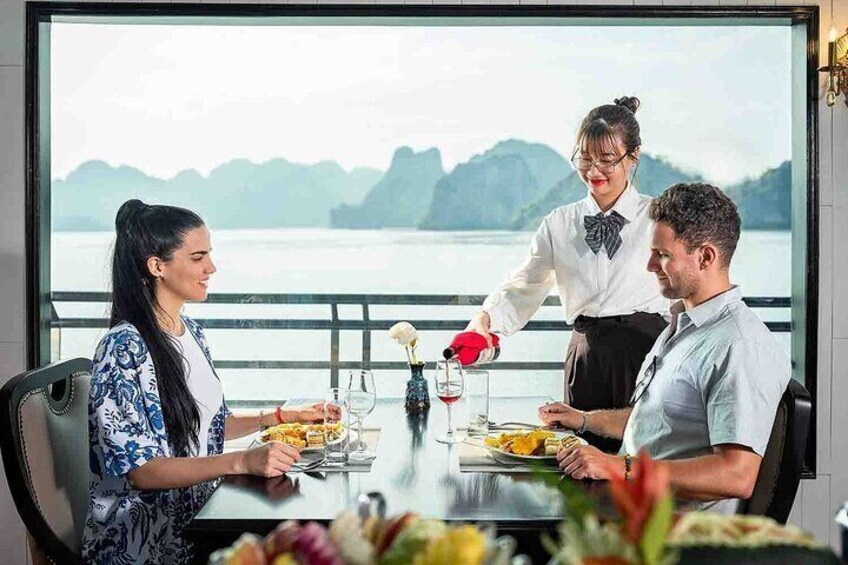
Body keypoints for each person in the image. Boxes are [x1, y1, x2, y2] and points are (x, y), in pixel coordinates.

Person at [81, 200, 334, 563]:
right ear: (157, 266)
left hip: (198, 516)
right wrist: (242, 461)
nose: (211, 267)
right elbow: (144, 471)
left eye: (209, 255)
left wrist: (282, 417)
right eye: (198, 257)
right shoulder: (123, 348)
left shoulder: (191, 332)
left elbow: (208, 425)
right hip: (148, 542)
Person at [539, 183, 791, 513]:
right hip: (629, 508)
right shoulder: (684, 325)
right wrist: (583, 420)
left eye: (663, 255)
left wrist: (618, 467)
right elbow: (660, 423)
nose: (650, 265)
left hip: (670, 533)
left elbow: (736, 475)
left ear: (706, 257)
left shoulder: (739, 346)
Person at [467, 96, 668, 451]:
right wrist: (484, 321)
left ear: (633, 155)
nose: (594, 171)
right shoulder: (560, 223)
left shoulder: (659, 216)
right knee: (581, 463)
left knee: (643, 460)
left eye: (607, 159)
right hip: (585, 360)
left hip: (647, 355)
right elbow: (524, 285)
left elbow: (684, 290)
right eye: (585, 159)